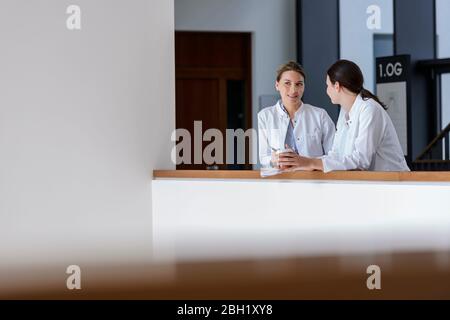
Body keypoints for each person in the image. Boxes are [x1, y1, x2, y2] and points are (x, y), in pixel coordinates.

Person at [278, 59, 410, 172]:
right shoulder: (345, 111)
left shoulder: (370, 109)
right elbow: (336, 155)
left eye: (327, 85)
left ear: (337, 86)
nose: (326, 91)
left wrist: (310, 163)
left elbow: (361, 160)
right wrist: (302, 162)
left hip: (394, 183)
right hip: (373, 186)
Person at [258, 61, 335, 169]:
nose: (293, 90)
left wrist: (309, 162)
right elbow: (263, 157)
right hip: (278, 180)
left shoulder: (320, 115)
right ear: (277, 85)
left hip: (313, 181)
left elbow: (333, 155)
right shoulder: (264, 116)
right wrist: (273, 160)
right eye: (287, 83)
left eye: (299, 84)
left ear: (304, 86)